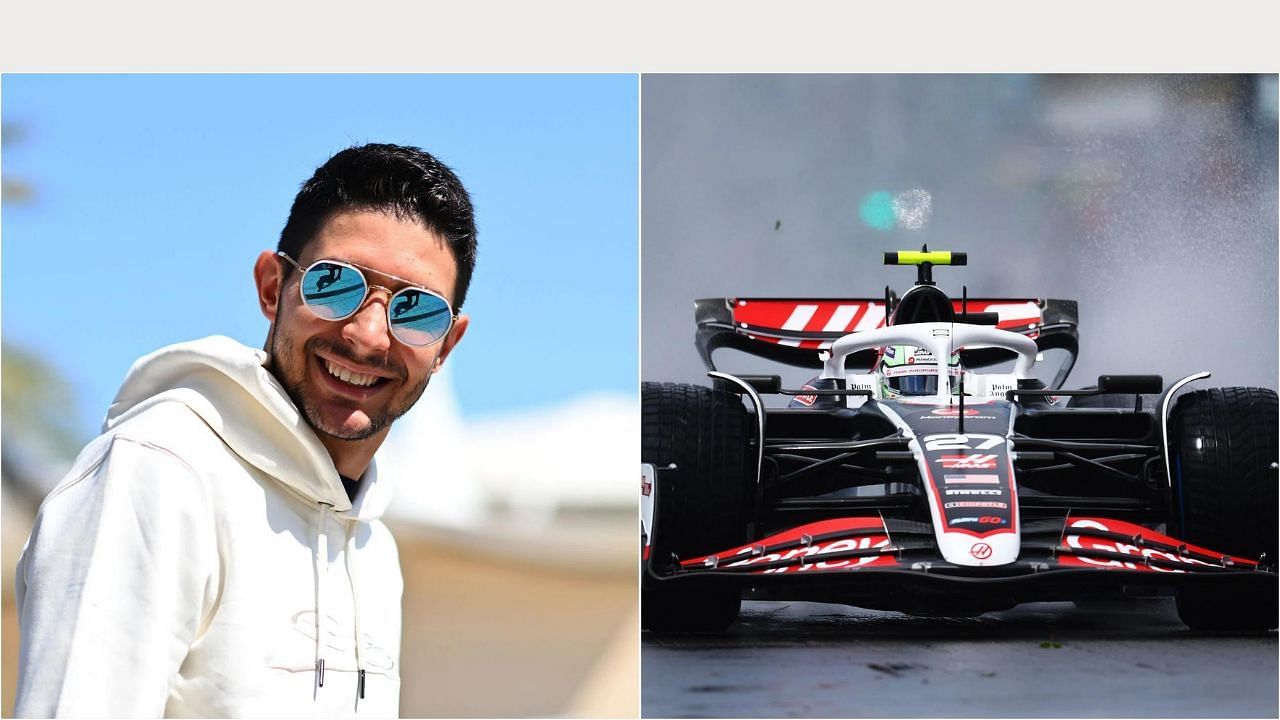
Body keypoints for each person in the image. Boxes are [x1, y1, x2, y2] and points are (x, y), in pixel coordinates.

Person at [13, 143, 475, 717]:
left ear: (446, 345)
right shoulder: (158, 471)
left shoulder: (374, 549)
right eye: (335, 285)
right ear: (272, 287)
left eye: (417, 310)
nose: (369, 335)